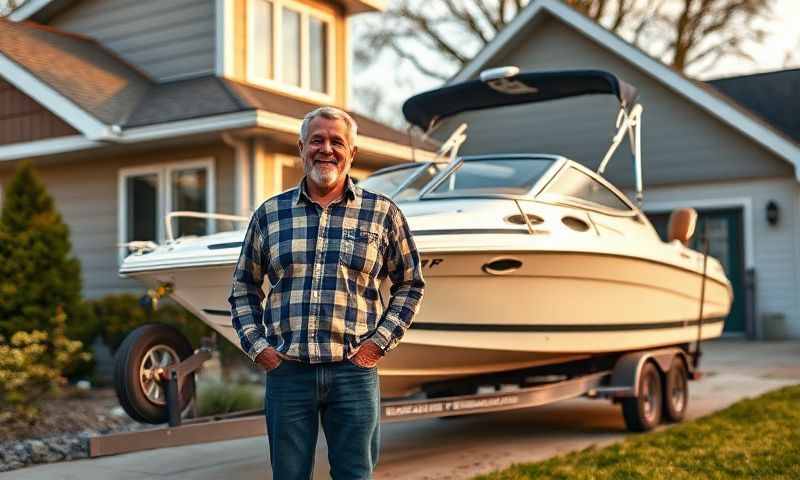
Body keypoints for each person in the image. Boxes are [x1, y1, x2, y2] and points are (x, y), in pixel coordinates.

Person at [228, 106, 425, 479]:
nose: (326, 149)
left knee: (355, 475)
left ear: (352, 153)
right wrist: (261, 349)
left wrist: (376, 346)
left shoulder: (382, 213)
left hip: (353, 372)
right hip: (288, 374)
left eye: (337, 142)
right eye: (317, 140)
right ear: (301, 148)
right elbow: (243, 287)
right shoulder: (270, 214)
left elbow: (410, 284)